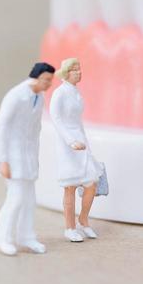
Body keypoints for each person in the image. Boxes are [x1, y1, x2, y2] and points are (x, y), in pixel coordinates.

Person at [0, 61, 55, 256]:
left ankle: (26, 236)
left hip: (28, 157)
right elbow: (1, 128)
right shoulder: (16, 96)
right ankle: (3, 238)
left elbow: (35, 129)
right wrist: (3, 160)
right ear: (36, 77)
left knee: (29, 199)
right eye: (46, 80)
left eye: (50, 80)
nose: (48, 84)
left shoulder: (40, 97)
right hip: (12, 158)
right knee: (16, 198)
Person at [49, 57, 101, 242]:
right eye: (75, 70)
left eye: (80, 69)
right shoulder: (60, 93)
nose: (79, 72)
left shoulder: (76, 93)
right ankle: (69, 228)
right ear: (66, 72)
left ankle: (83, 220)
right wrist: (71, 141)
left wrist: (84, 142)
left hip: (82, 142)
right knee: (70, 187)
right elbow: (56, 118)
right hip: (67, 144)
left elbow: (78, 121)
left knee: (91, 182)